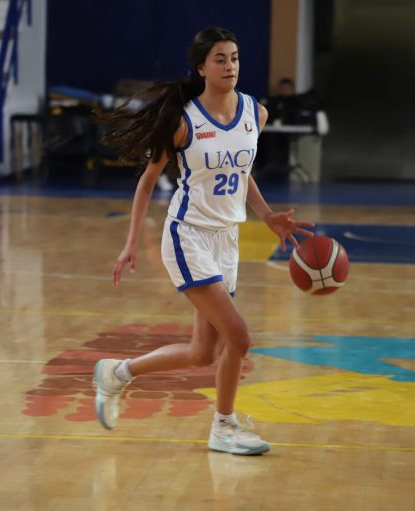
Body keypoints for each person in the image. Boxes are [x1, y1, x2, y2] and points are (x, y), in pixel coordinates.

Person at [94, 27, 314, 455]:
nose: (230, 66)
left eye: (234, 58)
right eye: (220, 59)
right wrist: (130, 241)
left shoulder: (255, 113)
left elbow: (241, 173)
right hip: (188, 235)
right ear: (201, 68)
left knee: (202, 353)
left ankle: (117, 373)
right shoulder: (183, 121)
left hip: (226, 240)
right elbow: (147, 182)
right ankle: (224, 426)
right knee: (240, 337)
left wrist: (267, 216)